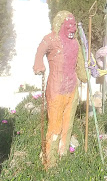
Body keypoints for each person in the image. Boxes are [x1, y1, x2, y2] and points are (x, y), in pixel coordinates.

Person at [33, 11, 87, 168]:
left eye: (74, 25)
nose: (73, 28)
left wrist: (85, 75)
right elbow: (40, 50)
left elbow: (79, 63)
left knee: (68, 125)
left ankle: (62, 154)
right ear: (61, 25)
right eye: (69, 25)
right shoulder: (51, 39)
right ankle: (50, 160)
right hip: (56, 90)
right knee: (55, 126)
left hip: (72, 90)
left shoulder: (75, 43)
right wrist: (38, 64)